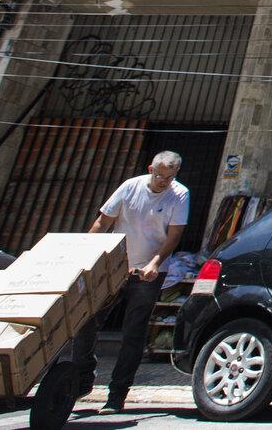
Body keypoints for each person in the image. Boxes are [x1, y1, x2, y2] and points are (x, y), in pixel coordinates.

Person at [72, 151, 189, 414]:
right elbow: (103, 221)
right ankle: (83, 377)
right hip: (115, 267)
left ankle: (117, 394)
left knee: (133, 332)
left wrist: (155, 263)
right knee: (86, 322)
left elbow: (174, 235)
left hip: (147, 273)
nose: (163, 181)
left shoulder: (180, 195)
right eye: (159, 175)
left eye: (169, 177)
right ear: (150, 169)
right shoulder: (130, 187)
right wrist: (85, 252)